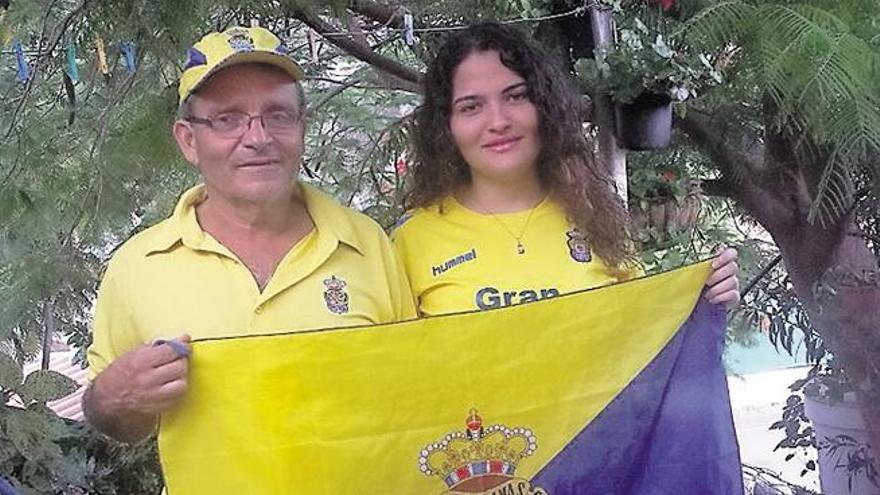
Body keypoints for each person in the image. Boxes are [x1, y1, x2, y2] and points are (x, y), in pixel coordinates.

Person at [83, 26, 416, 443]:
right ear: (188, 141)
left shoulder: (368, 245)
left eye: (277, 115)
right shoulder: (136, 267)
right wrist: (115, 398)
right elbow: (117, 422)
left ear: (302, 127)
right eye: (227, 119)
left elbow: (412, 397)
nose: (258, 138)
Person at [392, 22, 739, 316]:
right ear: (445, 126)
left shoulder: (597, 219)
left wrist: (703, 301)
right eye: (471, 107)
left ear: (545, 108)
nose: (497, 121)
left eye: (516, 96)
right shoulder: (413, 239)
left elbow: (643, 348)